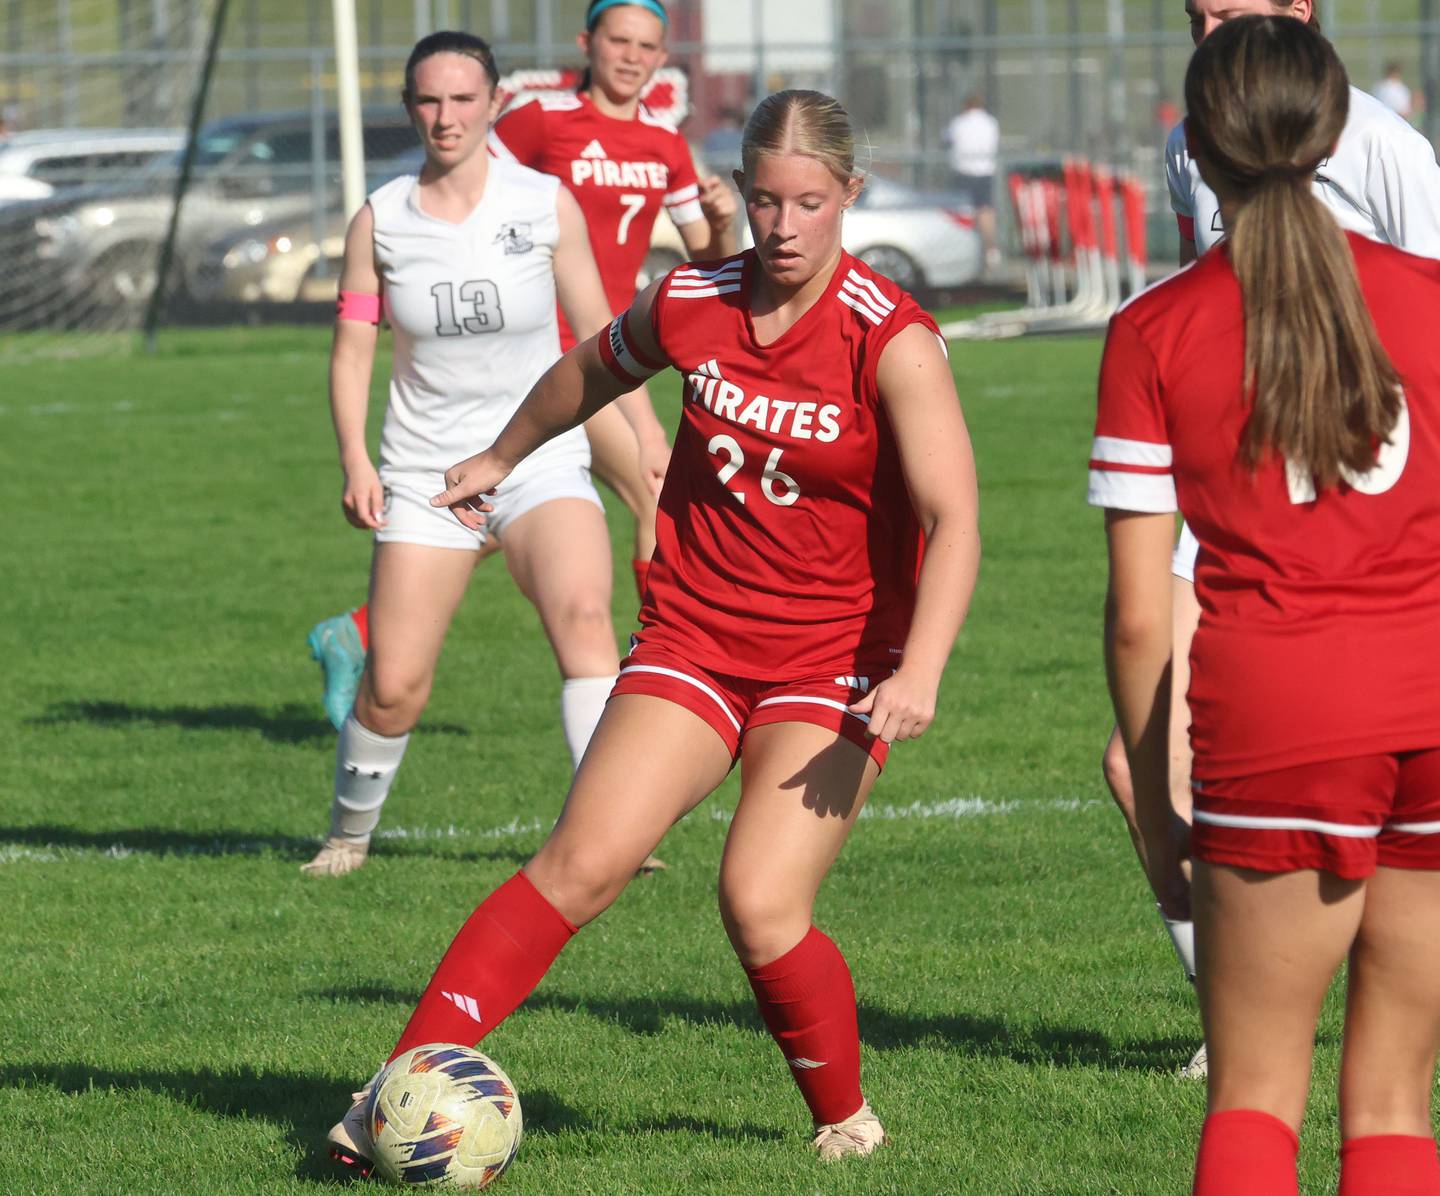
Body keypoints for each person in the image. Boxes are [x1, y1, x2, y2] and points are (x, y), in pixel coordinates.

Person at [324, 88, 979, 1171]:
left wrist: (924, 667)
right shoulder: (695, 298)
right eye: (763, 199)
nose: (778, 226)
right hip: (696, 639)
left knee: (760, 903)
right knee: (578, 864)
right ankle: (389, 1097)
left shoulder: (890, 338)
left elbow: (956, 520)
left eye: (807, 203)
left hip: (839, 660)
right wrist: (498, 453)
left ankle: (845, 1112)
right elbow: (590, 367)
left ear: (847, 197)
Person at [1095, 16, 1440, 1193]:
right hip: (1432, 699)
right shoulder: (1437, 296)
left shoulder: (1154, 327)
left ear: (1196, 148)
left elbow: (1142, 616)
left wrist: (1154, 802)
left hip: (1282, 714)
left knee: (1254, 1097)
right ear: (1337, 129)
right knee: (1396, 1099)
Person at [307, 0, 738, 735]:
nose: (631, 57)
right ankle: (665, 661)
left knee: (526, 512)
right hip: (556, 358)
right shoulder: (539, 123)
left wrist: (726, 222)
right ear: (587, 44)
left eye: (647, 46)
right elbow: (467, 199)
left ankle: (363, 626)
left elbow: (709, 265)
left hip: (610, 348)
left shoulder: (665, 145)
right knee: (646, 488)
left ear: (663, 57)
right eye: (617, 41)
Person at [300, 31, 644, 878]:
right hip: (424, 477)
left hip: (539, 463)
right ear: (409, 107)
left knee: (585, 619)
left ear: (495, 103)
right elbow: (352, 353)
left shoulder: (543, 203)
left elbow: (606, 338)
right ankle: (348, 835)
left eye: (462, 99)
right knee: (394, 687)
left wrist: (647, 438)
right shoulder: (380, 220)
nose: (445, 117)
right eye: (428, 100)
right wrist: (357, 461)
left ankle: (609, 839)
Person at [944, 92, 1000, 270]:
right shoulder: (991, 122)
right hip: (985, 171)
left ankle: (964, 249)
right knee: (986, 210)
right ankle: (991, 251)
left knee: (964, 212)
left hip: (964, 172)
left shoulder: (959, 122)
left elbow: (946, 139)